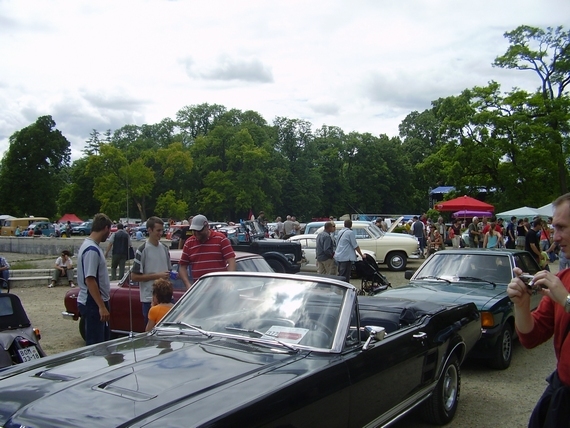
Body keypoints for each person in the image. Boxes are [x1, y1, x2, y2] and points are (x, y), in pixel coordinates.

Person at [507, 193, 570, 427]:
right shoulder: (563, 278)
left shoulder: (561, 287)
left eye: (561, 227)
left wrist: (566, 300)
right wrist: (521, 305)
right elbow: (531, 337)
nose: (555, 237)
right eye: (554, 228)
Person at [76, 213, 113, 345]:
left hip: (94, 302)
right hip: (92, 303)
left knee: (102, 341)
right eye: (109, 231)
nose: (109, 235)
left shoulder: (90, 246)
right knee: (96, 344)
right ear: (106, 228)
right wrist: (101, 306)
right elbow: (90, 280)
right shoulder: (91, 250)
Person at [131, 217, 171, 326]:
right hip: (149, 299)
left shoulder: (165, 248)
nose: (161, 233)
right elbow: (134, 276)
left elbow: (169, 271)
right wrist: (157, 276)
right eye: (158, 230)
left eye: (162, 230)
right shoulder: (142, 249)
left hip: (166, 299)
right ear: (149, 230)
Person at [179, 214, 236, 289]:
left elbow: (231, 260)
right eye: (194, 231)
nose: (196, 233)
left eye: (199, 230)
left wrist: (229, 280)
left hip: (219, 288)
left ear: (207, 227)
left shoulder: (220, 239)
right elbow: (182, 266)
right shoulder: (189, 243)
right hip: (199, 289)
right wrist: (187, 284)